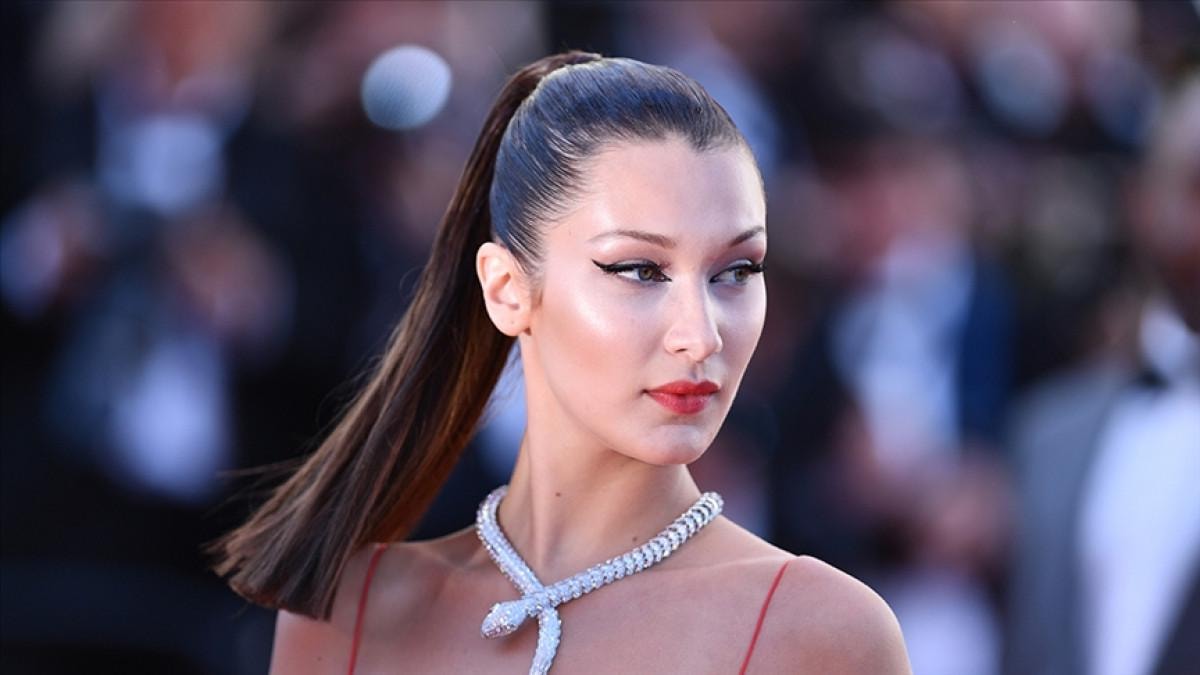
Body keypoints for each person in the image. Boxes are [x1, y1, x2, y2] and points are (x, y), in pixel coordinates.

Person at [211, 50, 911, 674]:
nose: (700, 336)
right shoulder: (348, 611)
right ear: (507, 290)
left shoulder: (820, 632)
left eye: (735, 272)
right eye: (639, 270)